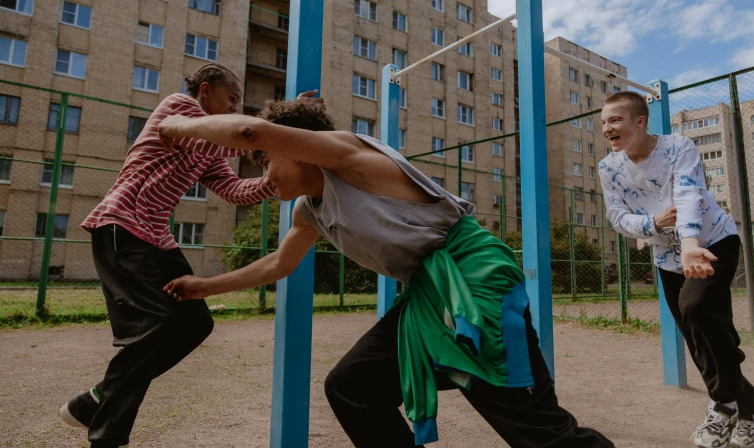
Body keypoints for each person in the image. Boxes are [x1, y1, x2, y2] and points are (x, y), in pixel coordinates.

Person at [160, 96, 614, 448]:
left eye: (266, 159)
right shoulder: (309, 210)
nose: (265, 172)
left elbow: (248, 129)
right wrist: (204, 286)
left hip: (472, 278)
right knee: (353, 386)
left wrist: (177, 126)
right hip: (425, 293)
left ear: (294, 149)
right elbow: (280, 263)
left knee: (531, 425)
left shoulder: (348, 155)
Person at [59, 64, 276, 448]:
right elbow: (232, 137)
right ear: (205, 92)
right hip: (121, 225)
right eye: (231, 100)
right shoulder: (177, 110)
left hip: (156, 237)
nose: (232, 109)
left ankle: (95, 400)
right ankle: (106, 437)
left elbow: (233, 190)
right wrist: (282, 135)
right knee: (154, 324)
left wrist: (273, 183)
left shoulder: (207, 149)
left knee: (195, 323)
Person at [598, 91, 754, 448]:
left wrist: (692, 245)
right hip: (668, 256)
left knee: (695, 309)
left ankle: (723, 406)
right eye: (603, 123)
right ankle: (752, 413)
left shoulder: (679, 146)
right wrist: (652, 224)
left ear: (639, 121)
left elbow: (688, 195)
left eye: (614, 120)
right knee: (698, 331)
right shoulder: (609, 168)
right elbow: (617, 217)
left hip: (713, 243)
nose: (607, 129)